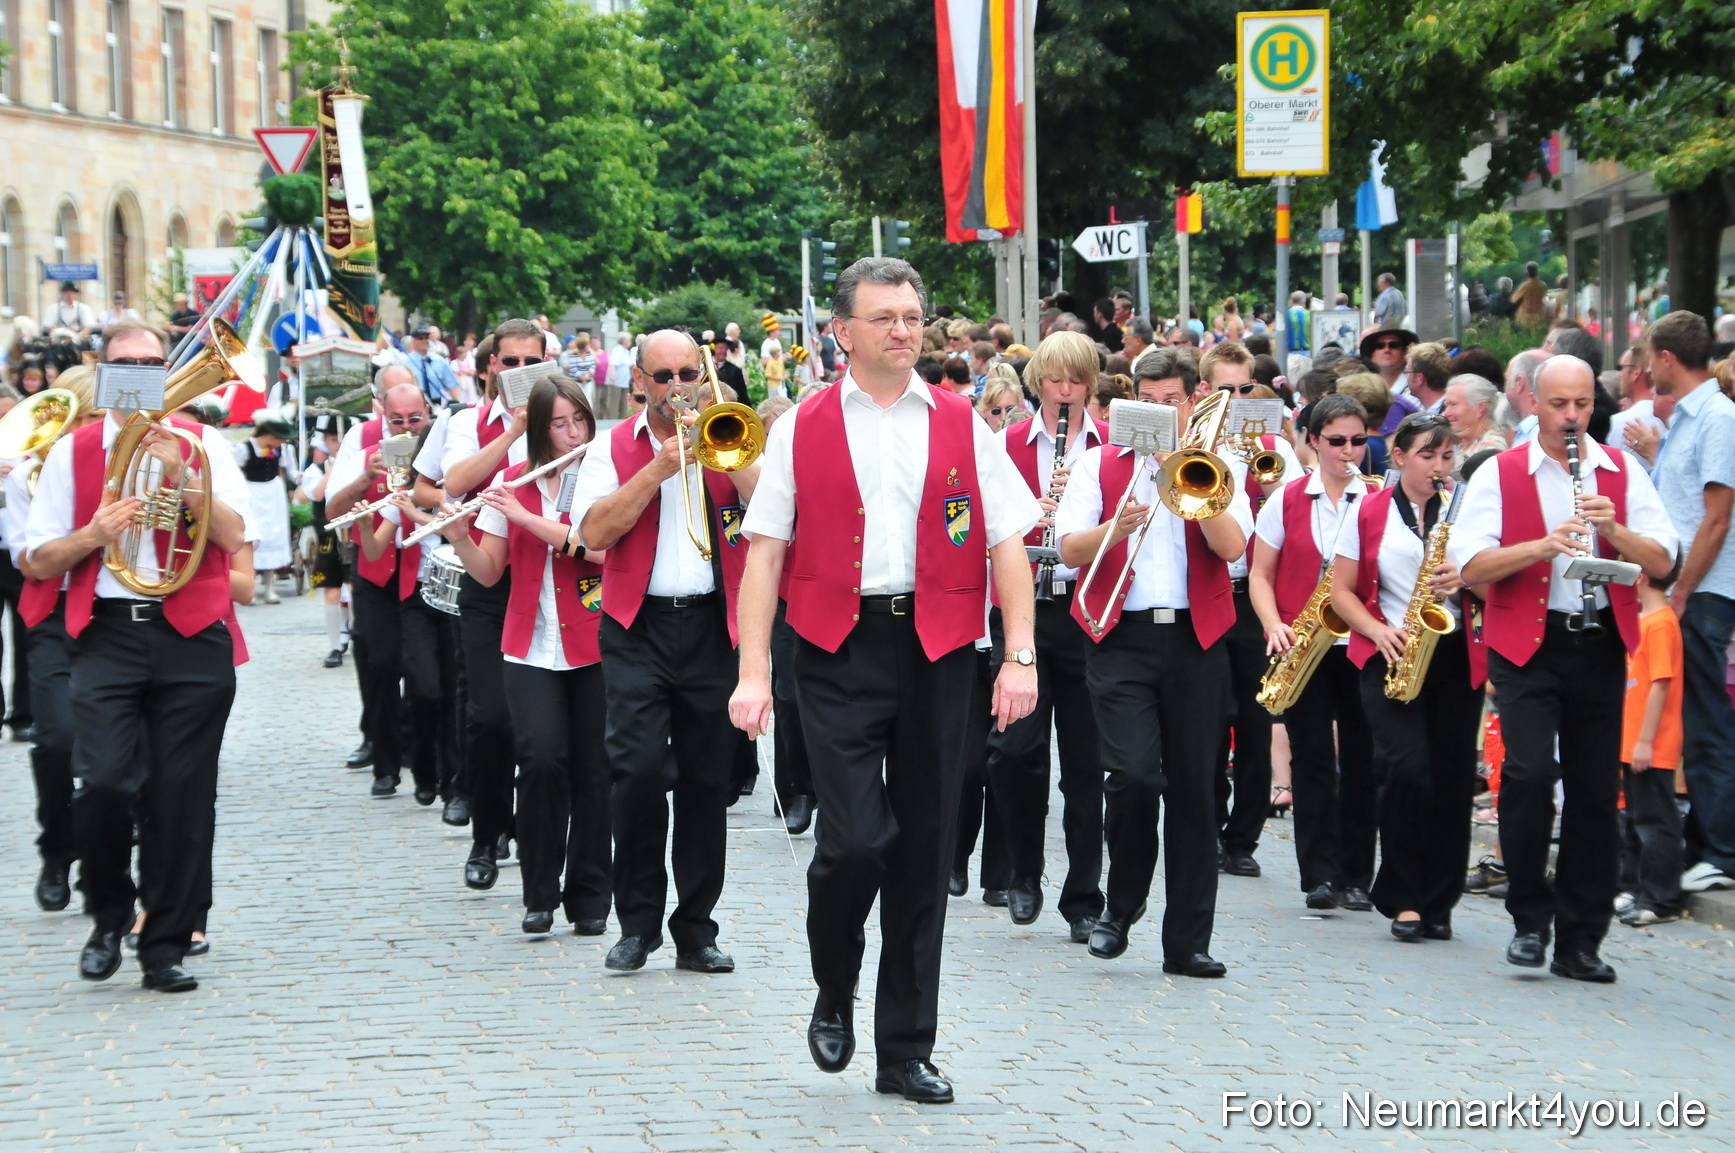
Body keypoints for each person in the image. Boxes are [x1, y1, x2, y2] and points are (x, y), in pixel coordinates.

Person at [729, 257, 1038, 1103]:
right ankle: (835, 982)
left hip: (939, 649)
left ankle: (903, 1048)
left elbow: (1005, 539)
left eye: (912, 314)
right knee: (856, 840)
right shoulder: (801, 425)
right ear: (844, 332)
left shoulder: (961, 420)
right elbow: (765, 554)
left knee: (926, 850)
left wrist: (1018, 654)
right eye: (885, 317)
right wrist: (753, 673)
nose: (905, 329)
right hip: (835, 649)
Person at [26, 320, 256, 993]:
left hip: (190, 633)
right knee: (100, 781)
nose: (142, 373)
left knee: (178, 797)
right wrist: (93, 534)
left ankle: (163, 946)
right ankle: (107, 913)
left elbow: (237, 535)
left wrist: (186, 477)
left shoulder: (204, 442)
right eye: (127, 363)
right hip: (108, 632)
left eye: (154, 362)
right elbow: (36, 557)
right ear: (103, 372)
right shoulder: (72, 453)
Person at [1453, 354, 1677, 983]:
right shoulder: (1502, 473)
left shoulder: (1621, 470)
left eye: (1582, 405)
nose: (1573, 417)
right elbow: (1471, 567)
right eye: (1560, 405)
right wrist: (1543, 546)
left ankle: (1581, 940)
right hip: (1528, 643)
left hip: (1599, 642)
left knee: (1593, 793)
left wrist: (1617, 530)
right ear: (1534, 404)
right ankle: (1530, 915)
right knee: (1526, 773)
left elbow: (1662, 561)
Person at [1055, 342, 1250, 975]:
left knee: (1197, 789)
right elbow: (1067, 551)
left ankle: (1188, 942)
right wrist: (1120, 521)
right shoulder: (1098, 464)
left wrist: (1182, 472)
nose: (1161, 412)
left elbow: (1234, 549)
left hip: (1197, 640)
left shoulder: (1217, 465)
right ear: (1131, 400)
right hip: (1121, 636)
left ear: (1193, 401)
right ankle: (1121, 906)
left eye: (1172, 403)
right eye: (1149, 402)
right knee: (1134, 777)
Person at [576, 328, 758, 976]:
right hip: (637, 628)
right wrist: (657, 468)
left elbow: (768, 511)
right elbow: (592, 532)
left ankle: (695, 929)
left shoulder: (725, 435)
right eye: (663, 377)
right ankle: (638, 923)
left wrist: (729, 460)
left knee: (708, 782)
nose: (677, 387)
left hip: (710, 628)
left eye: (687, 374)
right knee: (639, 773)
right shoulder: (611, 447)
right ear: (639, 383)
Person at [437, 375, 611, 936]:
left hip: (595, 643)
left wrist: (525, 518)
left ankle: (590, 898)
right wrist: (461, 535)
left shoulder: (603, 477)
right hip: (530, 645)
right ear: (537, 431)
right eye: (559, 424)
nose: (572, 433)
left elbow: (599, 551)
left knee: (593, 770)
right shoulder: (513, 481)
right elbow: (489, 571)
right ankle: (540, 891)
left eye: (579, 420)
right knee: (538, 760)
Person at [1331, 413, 1485, 941]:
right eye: (1427, 456)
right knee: (1407, 769)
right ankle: (1402, 895)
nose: (1439, 468)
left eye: (1447, 457)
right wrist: (1377, 630)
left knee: (1451, 775)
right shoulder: (1369, 510)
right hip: (1389, 652)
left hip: (1454, 654)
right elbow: (1341, 591)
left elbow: (1494, 581)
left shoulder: (1467, 512)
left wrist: (1466, 578)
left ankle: (1439, 899)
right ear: (1398, 456)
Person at [979, 331, 1109, 942]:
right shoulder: (1004, 444)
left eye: (1076, 381)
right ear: (1038, 385)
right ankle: (1023, 874)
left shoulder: (1111, 448)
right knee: (1014, 752)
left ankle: (1083, 894)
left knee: (1086, 765)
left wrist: (1076, 514)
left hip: (1087, 614)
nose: (1064, 392)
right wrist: (1038, 508)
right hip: (1022, 609)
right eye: (1054, 380)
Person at [1250, 393, 1379, 913]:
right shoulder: (1287, 498)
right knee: (1312, 758)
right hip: (1303, 643)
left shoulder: (1377, 499)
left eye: (1358, 441)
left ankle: (1357, 874)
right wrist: (1273, 624)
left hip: (1363, 642)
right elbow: (1260, 574)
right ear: (1312, 441)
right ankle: (1320, 874)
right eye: (1337, 441)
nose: (1349, 452)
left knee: (1363, 758)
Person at [420, 321, 541, 870]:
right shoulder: (466, 421)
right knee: (489, 714)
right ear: (491, 366)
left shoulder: (563, 417)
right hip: (487, 579)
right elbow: (454, 481)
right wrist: (513, 433)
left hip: (546, 582)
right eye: (508, 363)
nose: (517, 373)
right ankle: (487, 834)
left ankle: (533, 832)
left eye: (529, 363)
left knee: (535, 723)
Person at [1186, 344, 1301, 880]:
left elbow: (1298, 511)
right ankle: (1206, 828)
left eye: (1243, 389)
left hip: (1260, 602)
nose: (1235, 400)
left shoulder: (1273, 445)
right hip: (1209, 593)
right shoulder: (1192, 443)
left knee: (1258, 723)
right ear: (1204, 392)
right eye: (1224, 389)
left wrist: (1268, 473)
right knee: (1207, 722)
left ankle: (1244, 838)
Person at [1644, 311, 1735, 894]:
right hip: (1690, 590)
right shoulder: (1691, 417)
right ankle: (1708, 842)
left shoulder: (1717, 418)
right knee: (1693, 719)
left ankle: (1722, 851)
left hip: (1702, 592)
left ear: (1668, 358)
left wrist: (1680, 590)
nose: (1648, 367)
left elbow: (1717, 516)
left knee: (1705, 721)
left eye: (1651, 357)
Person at [6, 366, 101, 911]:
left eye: (91, 420)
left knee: (115, 748)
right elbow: (31, 562)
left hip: (110, 613)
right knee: (57, 739)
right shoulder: (27, 478)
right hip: (54, 614)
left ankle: (102, 850)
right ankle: (57, 848)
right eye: (78, 422)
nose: (85, 432)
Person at [325, 376, 438, 802]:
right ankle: (386, 764)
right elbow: (332, 510)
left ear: (427, 414)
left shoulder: (438, 440)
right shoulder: (362, 439)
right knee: (381, 667)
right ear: (380, 414)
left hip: (420, 572)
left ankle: (426, 761)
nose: (406, 428)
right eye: (397, 421)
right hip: (374, 569)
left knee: (427, 679)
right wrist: (362, 479)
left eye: (415, 418)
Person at [1616, 567, 1686, 925]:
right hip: (1634, 743)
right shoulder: (1645, 620)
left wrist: (1645, 741)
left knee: (1654, 823)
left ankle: (1662, 899)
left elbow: (1661, 684)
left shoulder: (1661, 623)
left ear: (1640, 577)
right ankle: (1632, 886)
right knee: (1634, 821)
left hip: (1651, 745)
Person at [299, 419, 351, 666]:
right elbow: (315, 494)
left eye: (340, 437)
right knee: (331, 589)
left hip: (353, 534)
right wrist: (333, 468)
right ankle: (335, 644)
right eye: (331, 438)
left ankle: (358, 634)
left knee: (355, 589)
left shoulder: (358, 463)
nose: (337, 443)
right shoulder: (317, 469)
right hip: (328, 536)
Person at [233, 413, 298, 604]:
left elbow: (290, 471)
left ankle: (270, 588)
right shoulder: (243, 448)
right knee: (253, 538)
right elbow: (234, 472)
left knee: (273, 535)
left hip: (273, 493)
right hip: (252, 493)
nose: (281, 442)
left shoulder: (284, 450)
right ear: (270, 435)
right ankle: (249, 586)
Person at [1443, 374, 1510, 460]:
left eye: (1453, 404)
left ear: (1481, 408)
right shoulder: (1462, 445)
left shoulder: (1491, 450)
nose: (1446, 413)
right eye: (1446, 405)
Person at [407, 325, 458, 405]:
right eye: (420, 338)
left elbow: (451, 385)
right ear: (413, 341)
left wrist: (459, 404)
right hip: (413, 402)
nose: (425, 340)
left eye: (427, 337)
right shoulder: (405, 362)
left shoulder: (438, 360)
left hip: (436, 402)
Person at [1511, 262, 1550, 328]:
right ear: (1537, 272)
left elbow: (1513, 300)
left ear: (1526, 273)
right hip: (1540, 316)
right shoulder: (1543, 285)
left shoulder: (1524, 286)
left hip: (1525, 318)